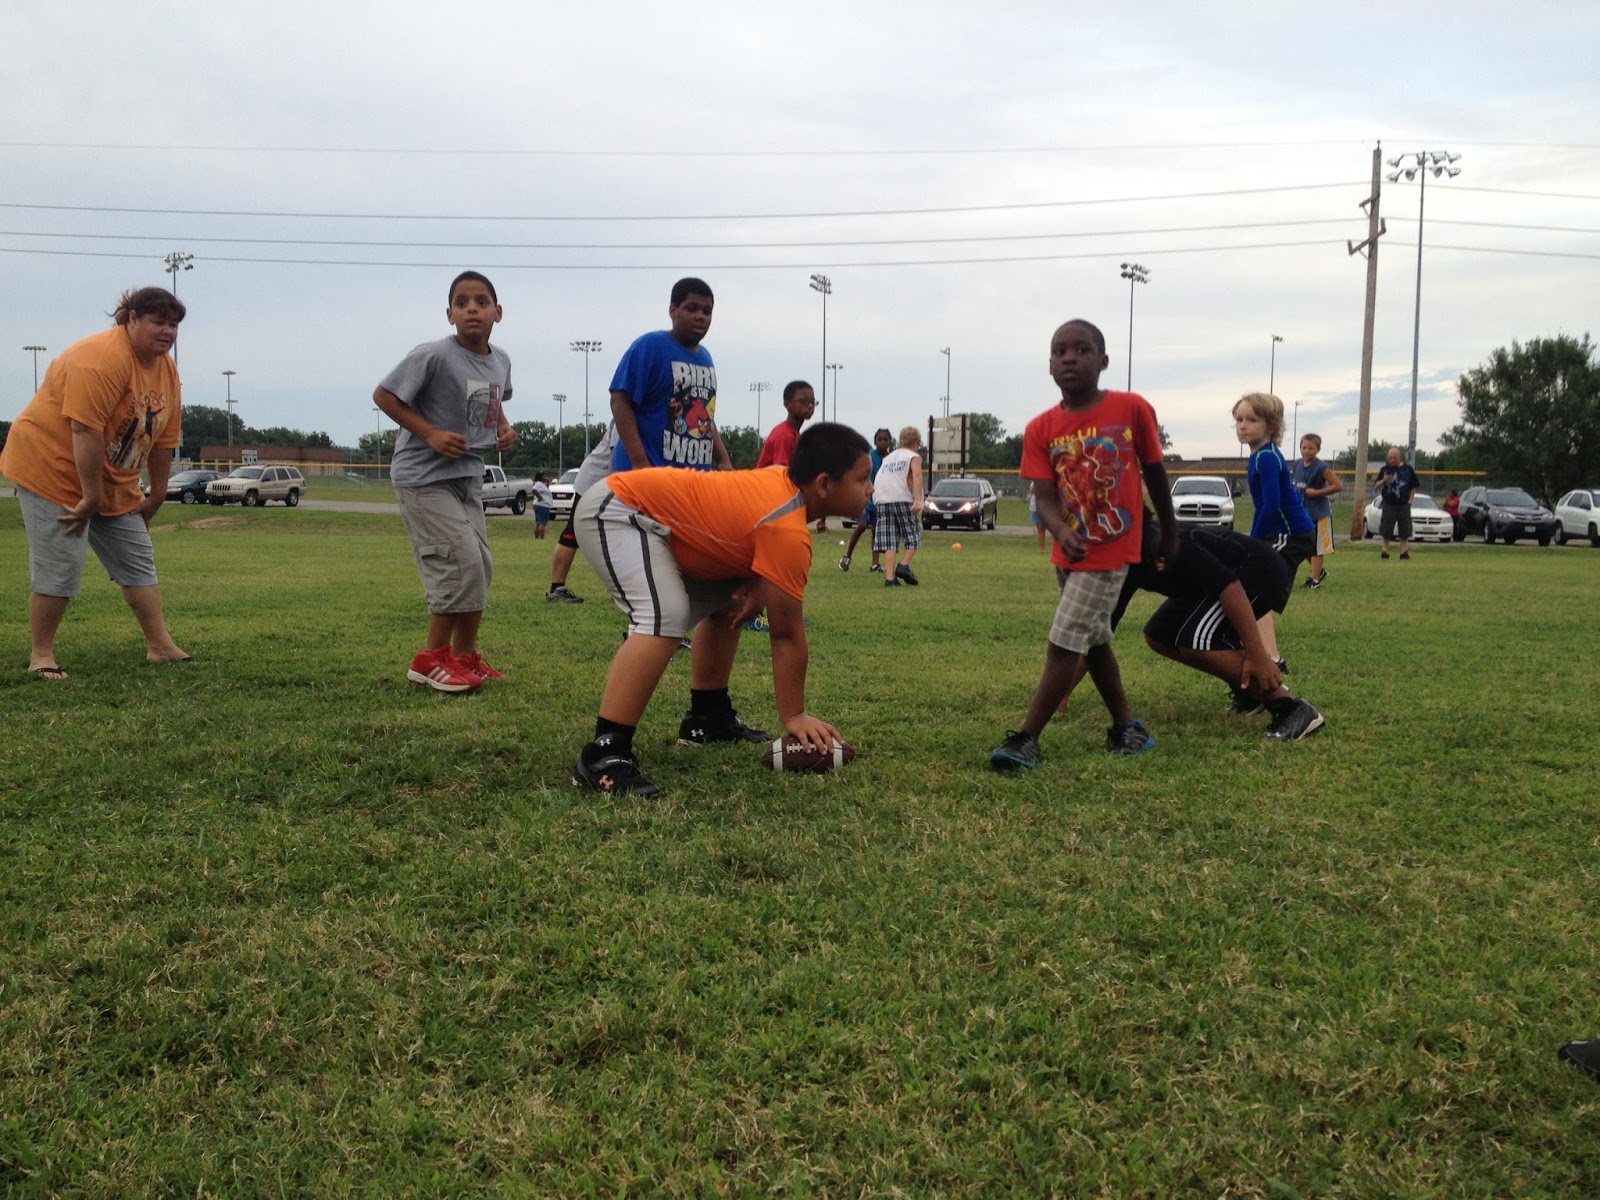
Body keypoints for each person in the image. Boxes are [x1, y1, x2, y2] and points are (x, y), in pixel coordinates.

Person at [571, 423, 873, 797]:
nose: (870, 488)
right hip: (616, 509)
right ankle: (605, 752)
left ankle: (708, 716)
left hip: (644, 515)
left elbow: (746, 531)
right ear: (825, 485)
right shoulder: (787, 528)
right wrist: (794, 715)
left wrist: (757, 585)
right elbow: (786, 635)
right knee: (664, 615)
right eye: (863, 479)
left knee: (731, 596)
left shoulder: (783, 489)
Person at [989, 318, 1178, 770]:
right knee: (1093, 640)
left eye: (1082, 349)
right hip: (1069, 551)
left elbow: (1154, 473)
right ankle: (1126, 729)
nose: (1069, 357)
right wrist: (1059, 530)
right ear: (1050, 365)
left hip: (1111, 551)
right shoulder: (1041, 428)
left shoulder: (1131, 409)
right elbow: (1045, 495)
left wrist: (1170, 533)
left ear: (1104, 360)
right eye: (1059, 351)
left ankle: (1026, 739)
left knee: (1064, 641)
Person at [1, 286, 192, 679]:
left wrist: (157, 493)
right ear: (131, 319)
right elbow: (85, 431)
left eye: (173, 325)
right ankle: (42, 655)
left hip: (111, 477)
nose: (167, 332)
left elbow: (163, 440)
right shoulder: (99, 359)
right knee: (61, 559)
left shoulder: (166, 370)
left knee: (136, 556)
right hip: (52, 468)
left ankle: (160, 646)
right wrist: (89, 498)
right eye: (158, 321)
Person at [608, 277, 767, 738]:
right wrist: (640, 463)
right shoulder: (651, 348)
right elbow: (621, 399)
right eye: (692, 308)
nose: (700, 317)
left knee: (728, 589)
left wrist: (721, 456)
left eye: (708, 311)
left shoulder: (705, 359)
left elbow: (702, 413)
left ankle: (708, 714)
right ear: (672, 309)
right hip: (654, 491)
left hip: (694, 492)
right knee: (665, 603)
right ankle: (647, 640)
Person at [374, 270, 516, 693]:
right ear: (449, 314)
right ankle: (428, 659)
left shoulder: (500, 360)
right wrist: (430, 433)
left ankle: (462, 656)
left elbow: (493, 406)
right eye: (462, 302)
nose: (472, 308)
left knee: (480, 566)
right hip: (424, 477)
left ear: (498, 312)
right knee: (459, 561)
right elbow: (384, 396)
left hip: (467, 474)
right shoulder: (433, 355)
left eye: (481, 301)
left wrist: (505, 430)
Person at [1111, 519, 1325, 741]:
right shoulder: (1122, 561)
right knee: (1159, 633)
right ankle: (1250, 695)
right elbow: (1098, 636)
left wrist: (1257, 653)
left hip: (1257, 572)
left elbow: (1229, 585)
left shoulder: (1161, 542)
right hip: (1215, 585)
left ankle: (1291, 707)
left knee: (1195, 641)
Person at [1233, 392, 1313, 683]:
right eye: (1239, 419)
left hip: (1288, 533)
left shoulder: (1267, 457)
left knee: (1253, 592)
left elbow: (1271, 505)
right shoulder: (1258, 455)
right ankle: (1271, 655)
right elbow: (1262, 507)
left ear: (1271, 425)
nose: (1243, 426)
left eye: (1251, 420)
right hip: (1282, 533)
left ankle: (1270, 657)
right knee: (1253, 593)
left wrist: (1252, 543)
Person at [545, 426, 616, 604]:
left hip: (604, 481)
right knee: (572, 533)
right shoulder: (627, 411)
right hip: (594, 480)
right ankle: (556, 589)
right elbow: (614, 457)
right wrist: (615, 488)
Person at [874, 426, 925, 587]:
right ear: (916, 443)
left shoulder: (888, 458)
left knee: (890, 539)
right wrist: (917, 499)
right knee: (913, 533)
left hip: (882, 499)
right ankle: (903, 566)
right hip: (901, 498)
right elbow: (916, 475)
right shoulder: (913, 456)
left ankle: (890, 579)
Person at [1291, 432, 1343, 588]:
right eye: (1304, 447)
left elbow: (1338, 485)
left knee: (1316, 546)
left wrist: (1317, 492)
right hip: (1302, 512)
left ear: (1318, 449)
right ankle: (1318, 572)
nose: (1306, 451)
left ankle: (1314, 580)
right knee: (1303, 544)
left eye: (1311, 448)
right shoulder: (1298, 464)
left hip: (1319, 513)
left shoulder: (1321, 467)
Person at [839, 427, 891, 573]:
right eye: (879, 440)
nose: (882, 442)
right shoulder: (869, 457)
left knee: (876, 530)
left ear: (889, 442)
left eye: (885, 440)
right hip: (866, 498)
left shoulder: (890, 459)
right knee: (862, 525)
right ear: (875, 441)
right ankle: (847, 556)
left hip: (880, 500)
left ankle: (875, 564)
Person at [755, 380, 815, 468]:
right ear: (787, 404)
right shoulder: (783, 434)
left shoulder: (794, 433)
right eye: (804, 401)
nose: (810, 406)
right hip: (767, 481)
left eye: (812, 402)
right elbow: (780, 473)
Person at [1374, 446, 1420, 559]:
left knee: (1405, 529)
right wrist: (1384, 480)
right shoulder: (1385, 469)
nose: (1392, 460)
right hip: (1389, 504)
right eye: (1390, 458)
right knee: (1386, 529)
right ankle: (1385, 551)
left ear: (1399, 457)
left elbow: (1413, 487)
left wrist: (1410, 500)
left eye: (1394, 457)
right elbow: (1376, 486)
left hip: (1403, 504)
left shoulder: (1408, 469)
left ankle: (1403, 551)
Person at [531, 472, 553, 540]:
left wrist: (547, 484)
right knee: (542, 523)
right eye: (544, 476)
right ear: (540, 477)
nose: (545, 477)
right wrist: (539, 497)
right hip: (542, 505)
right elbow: (534, 490)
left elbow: (546, 492)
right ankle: (541, 538)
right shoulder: (539, 484)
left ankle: (537, 538)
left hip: (539, 505)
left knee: (538, 523)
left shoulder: (542, 485)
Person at [1028, 486, 1048, 554]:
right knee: (1040, 528)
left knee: (1044, 528)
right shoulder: (1034, 480)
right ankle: (1041, 550)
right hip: (1036, 505)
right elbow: (1031, 489)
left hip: (1047, 505)